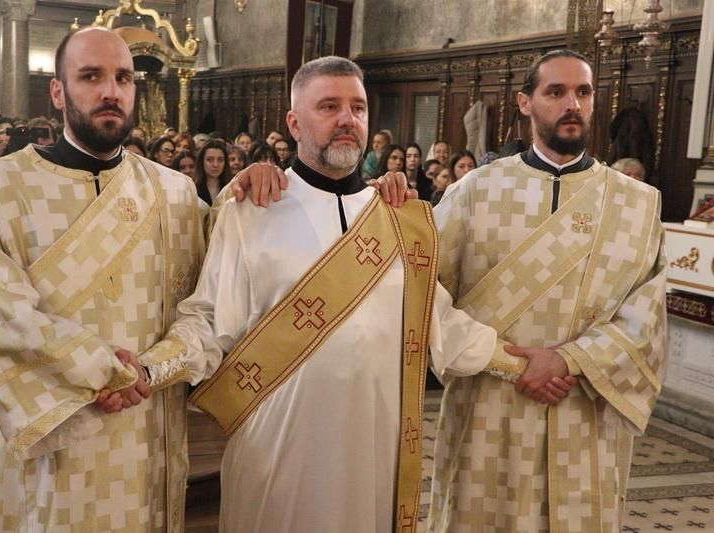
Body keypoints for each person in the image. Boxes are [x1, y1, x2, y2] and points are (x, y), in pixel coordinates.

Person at [0, 27, 283, 533]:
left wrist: (243, 196)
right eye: (90, 76)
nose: (110, 91)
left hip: (141, 435)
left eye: (123, 78)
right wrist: (110, 372)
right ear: (58, 91)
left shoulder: (175, 193)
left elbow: (214, 298)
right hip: (42, 435)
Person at [139, 55, 497, 533]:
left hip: (375, 452)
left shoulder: (400, 218)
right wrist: (151, 368)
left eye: (358, 108)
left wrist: (527, 363)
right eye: (329, 106)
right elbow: (208, 321)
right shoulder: (252, 210)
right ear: (294, 123)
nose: (347, 119)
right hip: (278, 453)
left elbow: (442, 324)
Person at [426, 49, 667, 533]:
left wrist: (567, 360)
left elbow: (648, 319)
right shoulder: (473, 192)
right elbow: (426, 296)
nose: (571, 104)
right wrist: (507, 360)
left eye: (583, 92)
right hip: (490, 404)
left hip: (584, 404)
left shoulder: (637, 204)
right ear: (525, 102)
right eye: (555, 92)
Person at [194, 139, 231, 205]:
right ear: (202, 161)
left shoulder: (231, 187)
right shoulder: (193, 188)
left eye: (220, 160)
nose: (215, 164)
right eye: (209, 160)